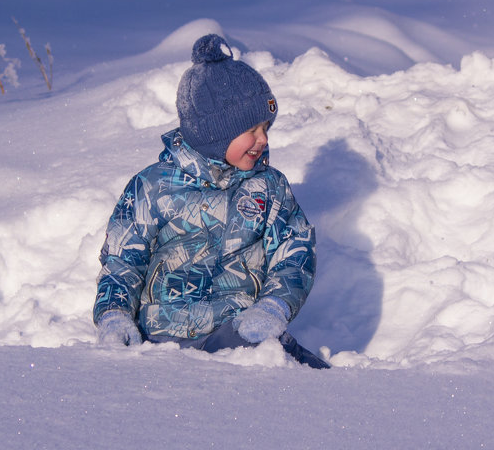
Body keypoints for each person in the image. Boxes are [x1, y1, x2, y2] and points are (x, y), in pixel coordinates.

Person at [93, 33, 328, 368]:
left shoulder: (268, 187)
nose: (262, 140)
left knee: (316, 380)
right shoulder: (152, 187)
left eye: (267, 128)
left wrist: (273, 307)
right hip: (159, 342)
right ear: (214, 133)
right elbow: (122, 262)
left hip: (239, 335)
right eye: (252, 130)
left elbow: (295, 252)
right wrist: (114, 315)